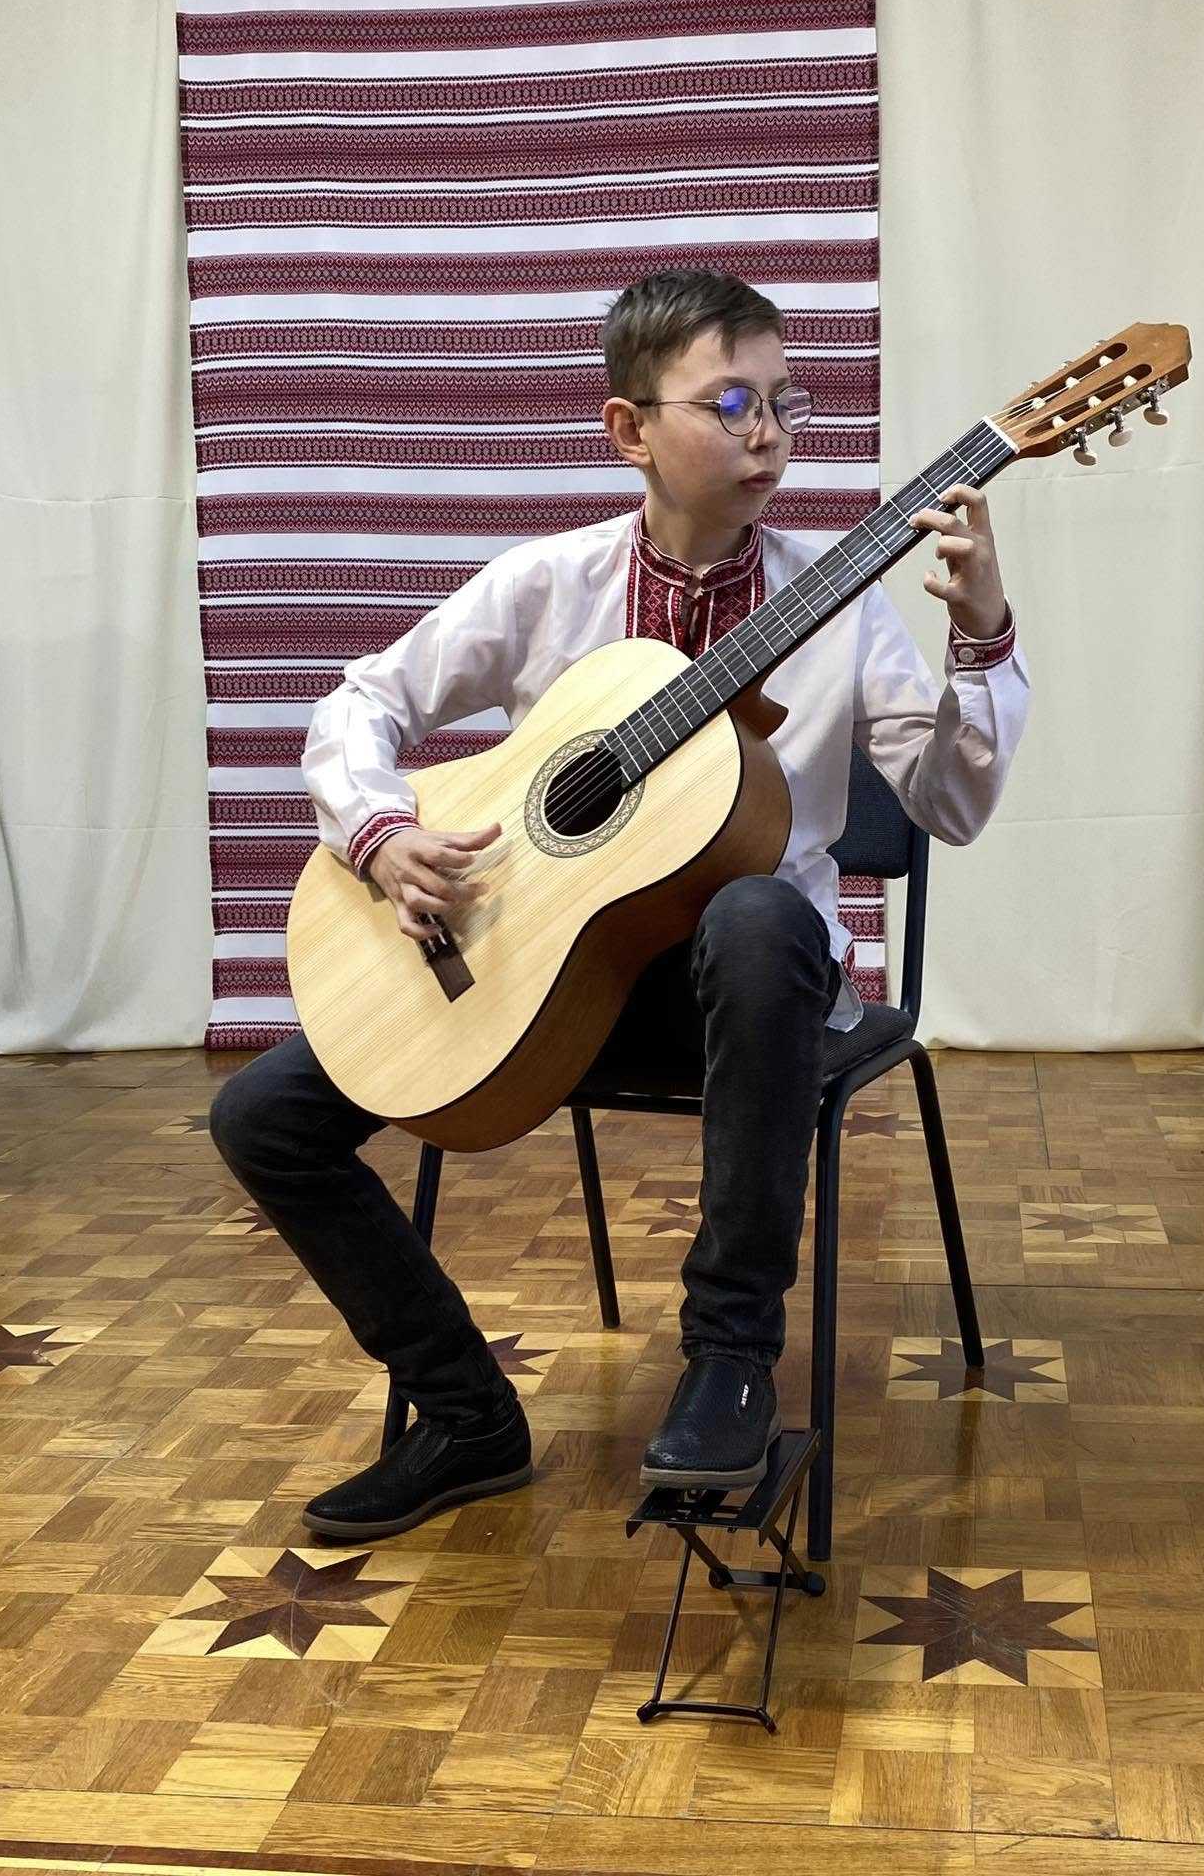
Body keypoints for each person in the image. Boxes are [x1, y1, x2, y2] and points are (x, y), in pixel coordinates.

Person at [209, 266, 1030, 1541]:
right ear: (628, 428)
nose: (770, 432)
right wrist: (381, 831)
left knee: (758, 916)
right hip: (554, 980)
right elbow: (362, 701)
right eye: (732, 403)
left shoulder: (841, 604)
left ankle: (731, 1357)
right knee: (262, 1115)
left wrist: (983, 633)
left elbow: (953, 805)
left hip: (756, 1004)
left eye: (785, 401)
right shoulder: (549, 583)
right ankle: (467, 1416)